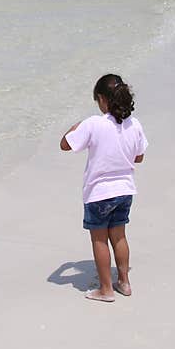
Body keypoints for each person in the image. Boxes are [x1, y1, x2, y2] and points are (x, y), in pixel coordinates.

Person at [60, 74, 148, 302]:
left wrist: (74, 126)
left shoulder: (93, 124)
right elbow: (139, 157)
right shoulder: (134, 124)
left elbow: (65, 145)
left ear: (102, 99)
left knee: (99, 239)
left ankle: (106, 289)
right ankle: (124, 282)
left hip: (99, 193)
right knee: (119, 236)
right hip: (125, 190)